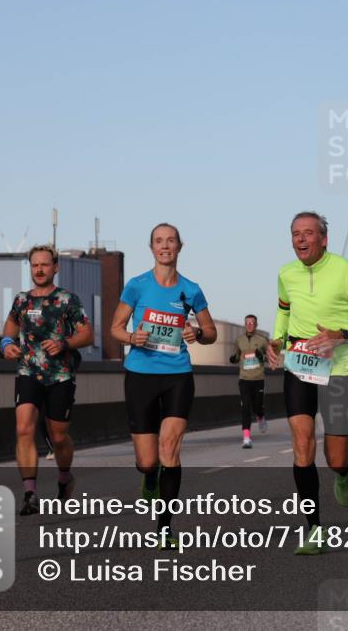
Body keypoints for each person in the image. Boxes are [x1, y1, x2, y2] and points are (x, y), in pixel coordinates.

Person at [266, 211, 348, 555]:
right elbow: (284, 311)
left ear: (323, 238)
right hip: (299, 364)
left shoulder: (346, 272)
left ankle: (345, 470)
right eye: (295, 234)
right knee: (302, 444)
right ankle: (314, 529)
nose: (301, 240)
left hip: (340, 368)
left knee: (334, 459)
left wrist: (342, 333)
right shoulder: (286, 274)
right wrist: (276, 340)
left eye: (308, 234)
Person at [110, 223, 217, 548]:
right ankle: (150, 476)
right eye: (159, 241)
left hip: (177, 376)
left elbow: (210, 332)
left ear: (179, 247)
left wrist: (196, 333)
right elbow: (115, 327)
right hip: (140, 375)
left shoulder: (191, 289)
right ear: (152, 247)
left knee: (170, 448)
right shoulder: (137, 286)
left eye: (170, 240)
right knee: (147, 461)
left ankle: (164, 528)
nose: (165, 246)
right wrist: (132, 337)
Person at [1, 245, 94, 515]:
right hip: (28, 371)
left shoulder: (68, 300)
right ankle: (29, 492)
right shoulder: (21, 301)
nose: (39, 269)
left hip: (60, 375)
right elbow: (9, 330)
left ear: (56, 267)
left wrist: (64, 342)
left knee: (58, 436)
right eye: (35, 265)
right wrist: (6, 345)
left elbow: (87, 335)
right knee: (23, 429)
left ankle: (65, 476)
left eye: (44, 265)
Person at [229, 314, 269, 448]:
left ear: (256, 325)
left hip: (258, 379)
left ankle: (260, 416)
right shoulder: (239, 340)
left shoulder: (263, 340)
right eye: (247, 322)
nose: (250, 325)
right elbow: (236, 356)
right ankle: (246, 438)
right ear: (245, 324)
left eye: (252, 323)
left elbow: (269, 359)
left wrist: (261, 356)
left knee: (257, 406)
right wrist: (233, 359)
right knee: (245, 407)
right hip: (244, 379)